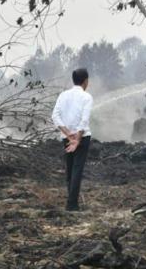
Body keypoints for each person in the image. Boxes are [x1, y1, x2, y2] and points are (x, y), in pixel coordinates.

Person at [52, 68, 93, 211]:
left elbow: (55, 116)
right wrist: (77, 138)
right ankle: (72, 204)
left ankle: (71, 200)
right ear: (85, 81)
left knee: (69, 170)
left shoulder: (63, 95)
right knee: (77, 170)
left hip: (66, 138)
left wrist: (68, 134)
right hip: (82, 138)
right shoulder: (86, 97)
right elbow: (84, 119)